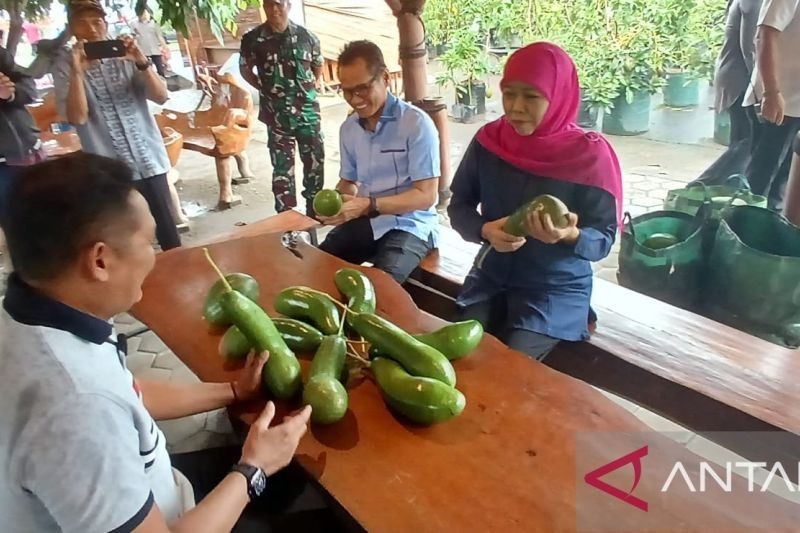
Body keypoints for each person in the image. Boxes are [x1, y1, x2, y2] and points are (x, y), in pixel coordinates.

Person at [0, 152, 343, 532]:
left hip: (155, 492)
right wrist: (253, 469)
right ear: (100, 261)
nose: (155, 257)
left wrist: (231, 391)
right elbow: (95, 406)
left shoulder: (32, 319)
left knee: (294, 481)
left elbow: (131, 393)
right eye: (149, 242)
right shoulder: (76, 409)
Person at [447, 42, 622, 360]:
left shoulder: (589, 156)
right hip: (490, 276)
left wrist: (570, 235)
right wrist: (485, 230)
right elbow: (458, 206)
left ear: (558, 97)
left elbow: (604, 239)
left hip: (554, 290)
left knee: (510, 366)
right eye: (509, 93)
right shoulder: (490, 141)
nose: (515, 107)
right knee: (458, 354)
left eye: (531, 96)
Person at [54, 0, 181, 250]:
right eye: (83, 22)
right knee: (125, 240)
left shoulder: (127, 52)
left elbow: (161, 96)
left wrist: (141, 60)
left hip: (148, 161)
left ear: (106, 23)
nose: (91, 29)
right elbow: (77, 118)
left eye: (97, 21)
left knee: (168, 231)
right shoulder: (64, 64)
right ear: (72, 28)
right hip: (107, 172)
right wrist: (77, 73)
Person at [317, 40, 440, 284]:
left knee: (382, 287)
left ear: (384, 78)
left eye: (362, 88)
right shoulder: (349, 129)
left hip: (411, 225)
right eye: (347, 90)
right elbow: (349, 182)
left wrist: (368, 204)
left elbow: (426, 196)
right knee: (320, 266)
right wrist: (336, 203)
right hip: (369, 221)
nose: (355, 99)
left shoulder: (416, 124)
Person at [239, 0, 324, 216]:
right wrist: (263, 87)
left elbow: (317, 66)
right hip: (276, 118)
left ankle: (315, 215)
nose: (274, 9)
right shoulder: (253, 39)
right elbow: (245, 69)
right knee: (282, 174)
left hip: (307, 115)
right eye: (269, 5)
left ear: (288, 5)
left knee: (314, 167)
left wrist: (306, 90)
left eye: (278, 4)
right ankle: (288, 222)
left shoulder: (308, 37)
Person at [694, 0, 763, 185]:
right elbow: (751, 48)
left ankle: (722, 193)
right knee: (746, 145)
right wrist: (762, 90)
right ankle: (701, 188)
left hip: (741, 77)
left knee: (744, 145)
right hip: (741, 80)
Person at [743, 0, 800, 209]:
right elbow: (765, 34)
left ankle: (769, 232)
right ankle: (745, 234)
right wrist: (771, 92)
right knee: (760, 183)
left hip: (796, 104)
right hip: (780, 103)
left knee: (783, 185)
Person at [0, 44, 44, 229]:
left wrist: (11, 94)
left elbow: (29, 88)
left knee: (51, 216)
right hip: (3, 167)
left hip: (27, 150)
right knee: (17, 228)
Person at [130, 6, 169, 77]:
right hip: (143, 52)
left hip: (155, 50)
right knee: (148, 72)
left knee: (160, 70)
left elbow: (159, 36)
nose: (143, 15)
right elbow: (134, 37)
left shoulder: (154, 23)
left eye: (145, 12)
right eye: (141, 13)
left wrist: (165, 47)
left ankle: (162, 85)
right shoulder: (134, 24)